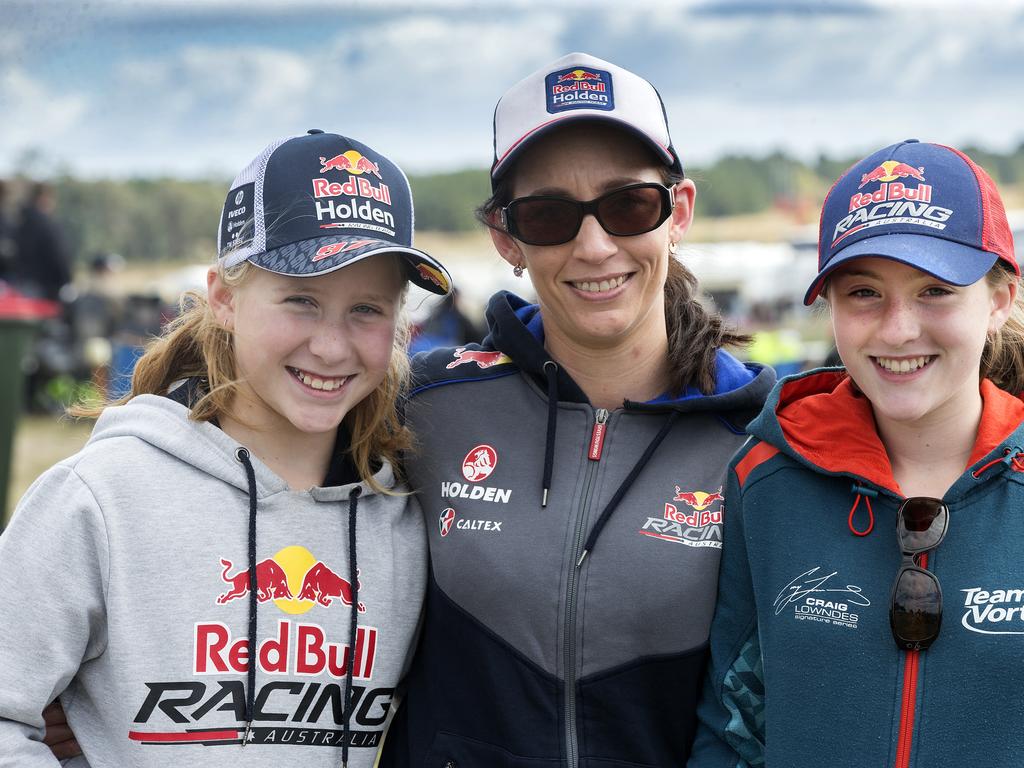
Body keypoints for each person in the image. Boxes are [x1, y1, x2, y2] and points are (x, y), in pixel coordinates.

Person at [0, 129, 452, 767]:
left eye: (366, 310)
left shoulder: (405, 519)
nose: (330, 346)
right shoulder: (101, 498)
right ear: (224, 299)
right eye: (301, 299)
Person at [379, 53, 775, 767]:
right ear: (507, 238)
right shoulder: (424, 406)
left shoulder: (762, 435)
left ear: (677, 212)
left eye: (629, 205)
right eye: (550, 215)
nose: (595, 247)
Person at [689, 141, 1024, 766]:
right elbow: (730, 727)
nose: (898, 329)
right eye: (864, 292)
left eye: (935, 291)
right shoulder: (765, 480)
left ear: (999, 300)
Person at [11, 181, 73, 301]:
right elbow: (59, 256)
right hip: (46, 290)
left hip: (20, 287)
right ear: (44, 198)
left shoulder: (19, 225)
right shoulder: (47, 225)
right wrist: (66, 280)